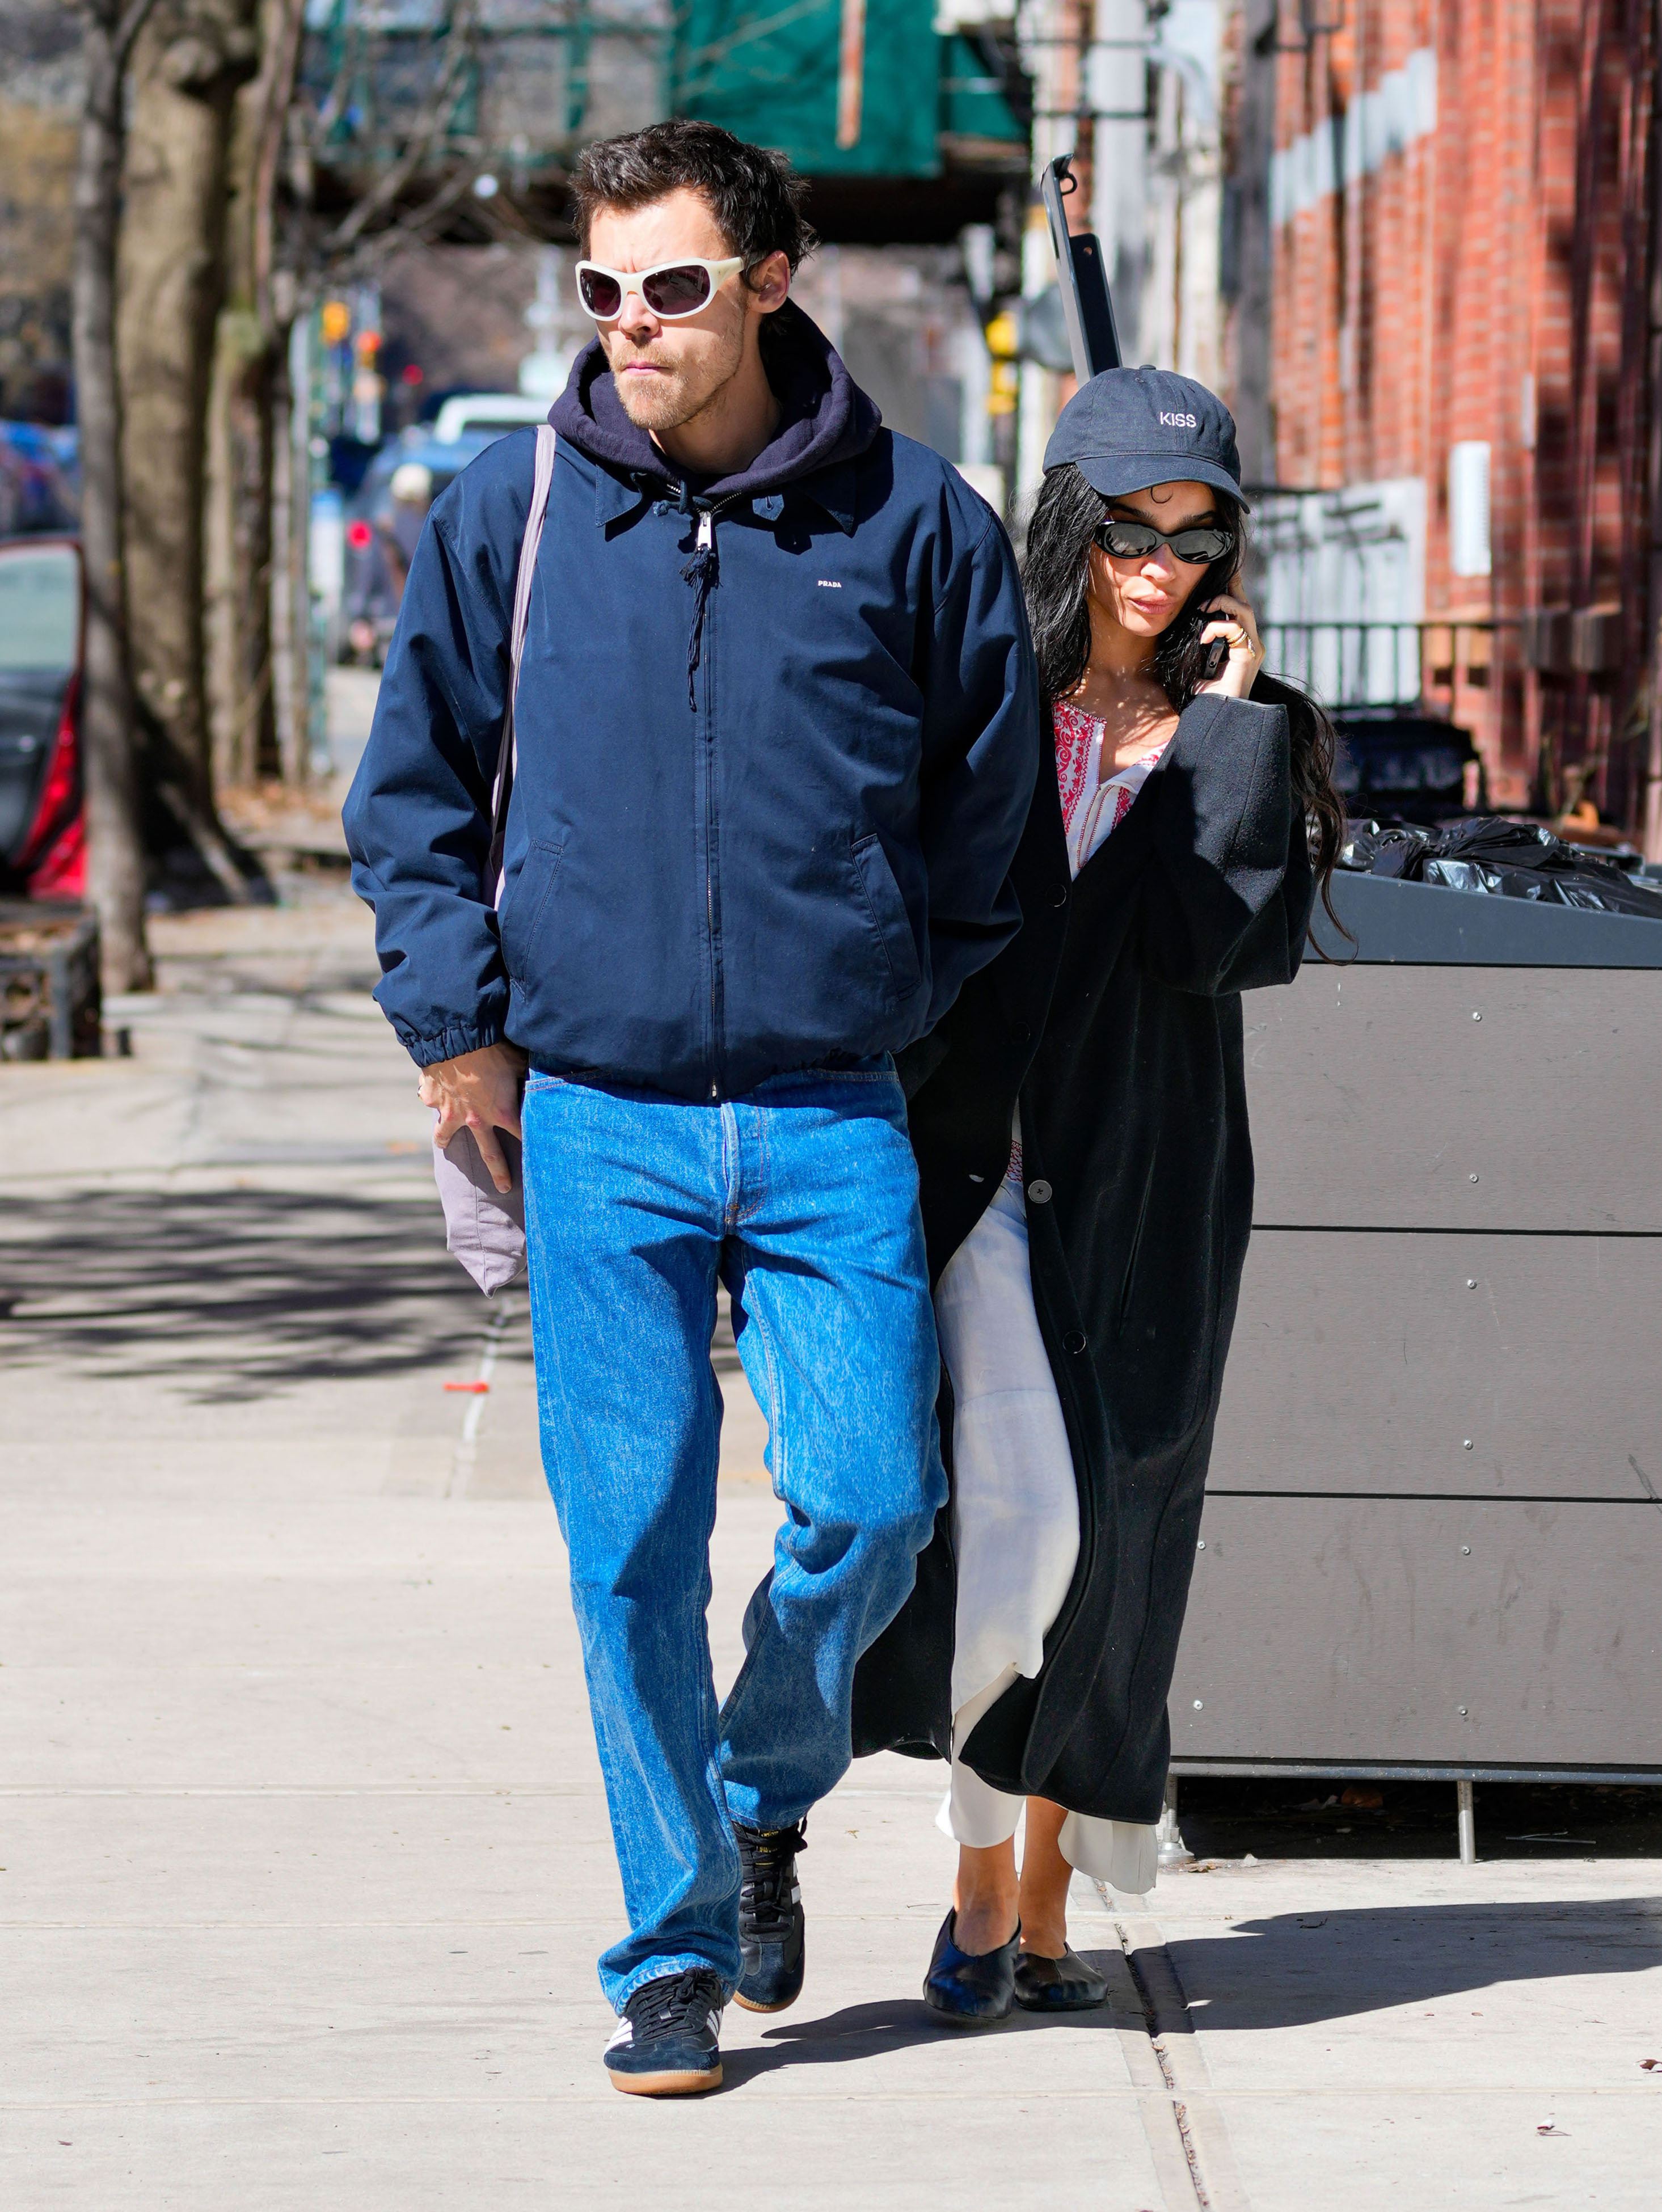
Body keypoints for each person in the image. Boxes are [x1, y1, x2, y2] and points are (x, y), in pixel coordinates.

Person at [343, 120, 1039, 2093]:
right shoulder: (513, 514)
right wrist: (455, 1033)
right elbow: (409, 798)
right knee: (625, 1544)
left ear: (766, 279)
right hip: (596, 1115)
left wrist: (891, 993)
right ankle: (670, 1949)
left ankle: (758, 1785)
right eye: (599, 291)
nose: (628, 325)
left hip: (829, 1108)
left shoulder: (915, 525)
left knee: (872, 1508)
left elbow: (985, 825)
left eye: (667, 286)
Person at [851, 367, 1343, 2023]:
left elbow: (1222, 945)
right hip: (988, 1165)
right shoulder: (985, 699)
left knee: (1120, 1548)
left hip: (1149, 1172)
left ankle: (1041, 1903)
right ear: (1074, 520)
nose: (1160, 563)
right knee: (1018, 1531)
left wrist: (1217, 728)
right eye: (1129, 527)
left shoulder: (1240, 726)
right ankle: (982, 1877)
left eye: (1194, 534)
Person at [345, 461, 433, 664]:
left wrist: (360, 618)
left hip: (388, 624)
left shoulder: (386, 530)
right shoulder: (434, 530)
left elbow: (368, 575)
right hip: (426, 625)